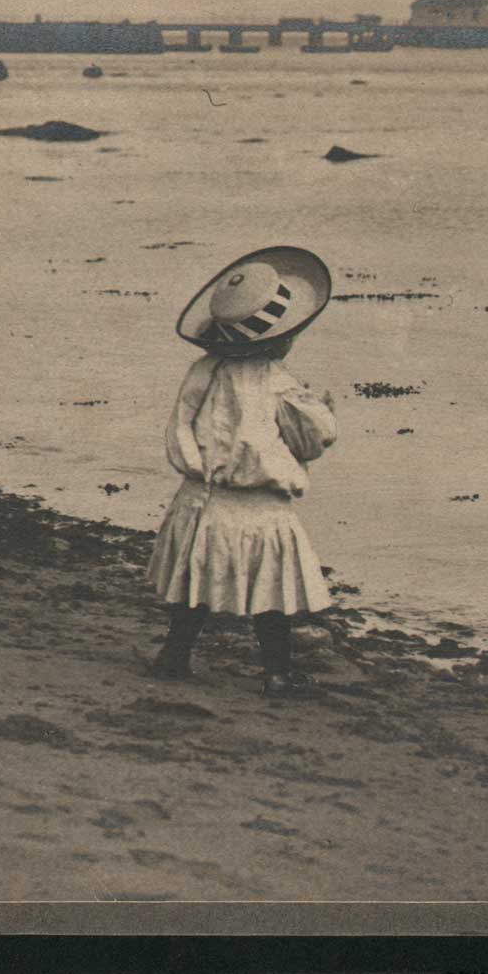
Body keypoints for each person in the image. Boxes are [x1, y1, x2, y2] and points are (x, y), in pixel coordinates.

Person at [145, 246, 338, 694]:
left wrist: (200, 468)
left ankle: (174, 654)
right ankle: (275, 671)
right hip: (259, 504)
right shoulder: (279, 384)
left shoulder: (201, 371)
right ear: (280, 339)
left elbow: (180, 428)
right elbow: (314, 438)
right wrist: (324, 413)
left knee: (195, 579)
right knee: (270, 592)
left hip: (202, 496)